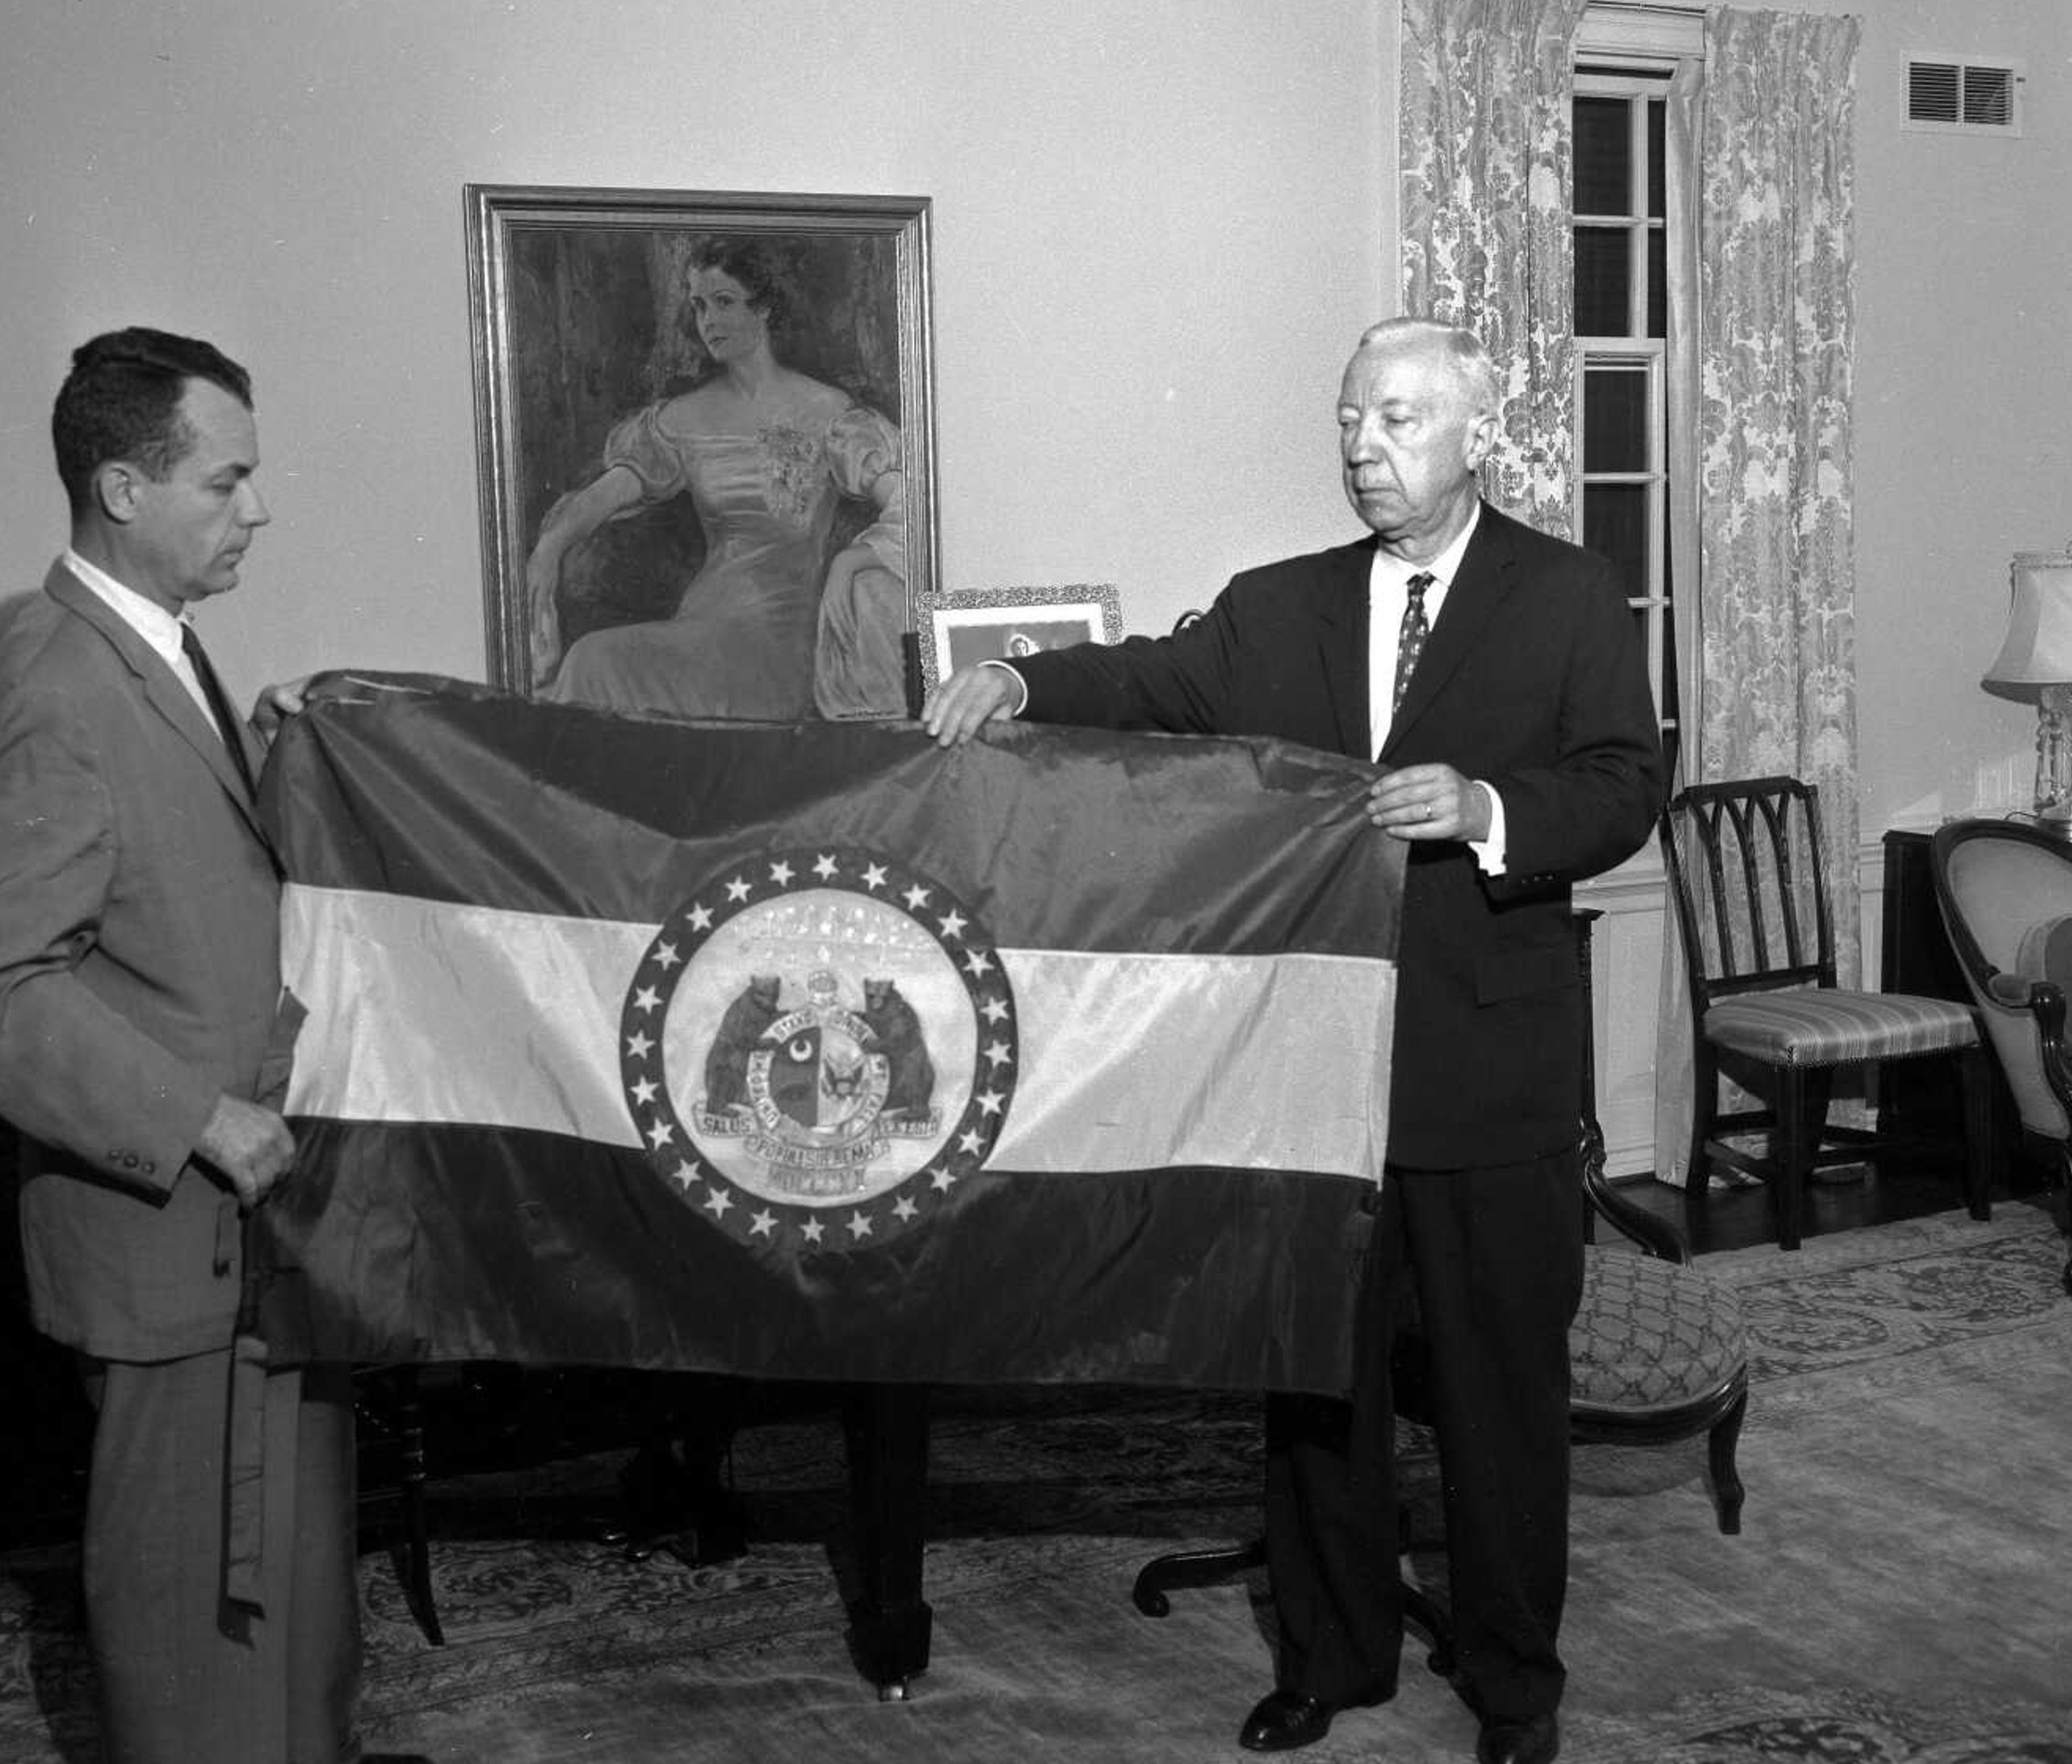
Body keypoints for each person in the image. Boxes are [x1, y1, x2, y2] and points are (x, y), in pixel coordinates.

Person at [923, 317, 1665, 1764]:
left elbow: (1624, 787)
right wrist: (1019, 681)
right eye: (1346, 424)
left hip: (1490, 1073)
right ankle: (1332, 1659)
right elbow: (1147, 680)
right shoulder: (1280, 608)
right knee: (1316, 1380)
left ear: (1470, 434)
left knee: (1497, 1400)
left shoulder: (1567, 598)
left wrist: (1486, 811)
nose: (1362, 450)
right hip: (1312, 1070)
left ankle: (1515, 1687)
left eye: (1393, 422)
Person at [0, 328, 375, 1763]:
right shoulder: (53, 680)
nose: (257, 511)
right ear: (124, 486)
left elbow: (159, 871)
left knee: (283, 1635)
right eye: (228, 481)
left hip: (246, 1247)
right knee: (196, 1650)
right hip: (175, 1231)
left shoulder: (152, 651)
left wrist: (270, 757)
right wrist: (197, 1115)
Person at [522, 235, 911, 721]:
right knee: (593, 660)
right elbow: (603, 496)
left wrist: (856, 558)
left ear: (764, 308)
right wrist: (549, 548)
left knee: (594, 660)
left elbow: (913, 505)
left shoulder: (831, 415)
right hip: (703, 622)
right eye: (700, 305)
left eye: (724, 303)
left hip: (780, 641)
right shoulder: (686, 418)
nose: (709, 321)